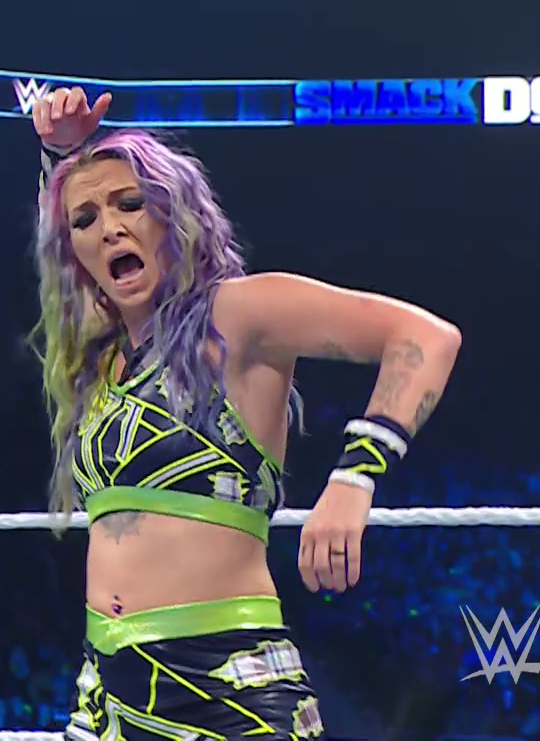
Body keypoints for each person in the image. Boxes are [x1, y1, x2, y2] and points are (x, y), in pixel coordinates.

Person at [24, 84, 461, 739]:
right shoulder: (100, 357)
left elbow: (425, 338)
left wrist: (354, 477)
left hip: (227, 683)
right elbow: (58, 228)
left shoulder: (238, 316)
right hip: (107, 693)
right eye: (86, 220)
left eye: (130, 203)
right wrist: (63, 155)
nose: (109, 227)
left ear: (174, 214)